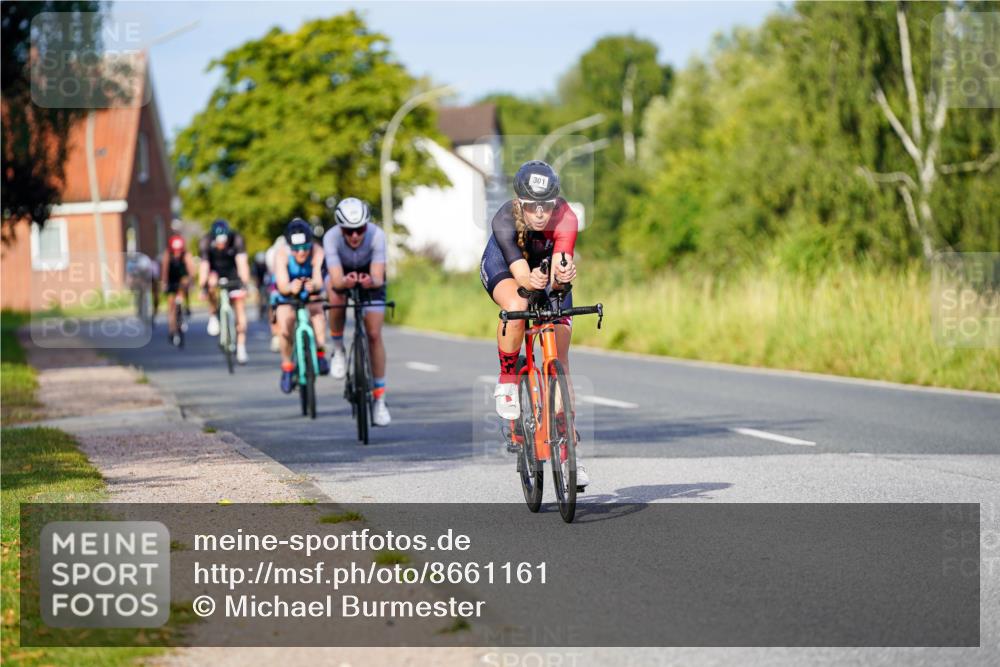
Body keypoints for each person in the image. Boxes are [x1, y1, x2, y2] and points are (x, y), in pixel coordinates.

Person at [479, 160, 588, 488]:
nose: (540, 213)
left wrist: (563, 276)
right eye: (532, 207)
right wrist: (534, 281)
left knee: (561, 354)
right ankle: (508, 379)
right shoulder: (504, 219)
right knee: (518, 304)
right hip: (507, 267)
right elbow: (523, 279)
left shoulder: (566, 217)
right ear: (519, 204)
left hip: (544, 268)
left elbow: (560, 266)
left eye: (546, 206)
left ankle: (570, 452)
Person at [323, 197, 391, 427]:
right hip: (340, 274)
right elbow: (335, 279)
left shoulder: (376, 235)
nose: (354, 236)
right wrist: (345, 281)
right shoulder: (331, 237)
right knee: (335, 295)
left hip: (370, 275)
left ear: (366, 226)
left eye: (359, 229)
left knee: (373, 334)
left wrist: (367, 280)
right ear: (340, 228)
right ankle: (338, 349)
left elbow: (378, 277)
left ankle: (380, 400)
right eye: (349, 231)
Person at [273, 218, 330, 393]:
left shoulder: (317, 251)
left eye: (305, 248)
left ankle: (320, 352)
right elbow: (282, 284)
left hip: (310, 290)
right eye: (296, 249)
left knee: (317, 311)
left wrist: (314, 285)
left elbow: (319, 279)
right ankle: (287, 366)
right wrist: (290, 287)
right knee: (286, 322)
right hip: (288, 293)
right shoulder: (282, 254)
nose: (301, 253)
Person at [198, 219, 251, 364]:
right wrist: (203, 287)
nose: (221, 244)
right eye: (219, 241)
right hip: (215, 272)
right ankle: (214, 315)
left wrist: (245, 284)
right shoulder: (206, 242)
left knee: (240, 308)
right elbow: (204, 266)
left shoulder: (237, 239)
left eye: (224, 241)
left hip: (233, 272)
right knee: (211, 283)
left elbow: (242, 264)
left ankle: (241, 347)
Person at [161, 234, 196, 344]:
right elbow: (165, 270)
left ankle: (186, 304)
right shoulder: (167, 254)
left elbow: (191, 269)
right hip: (171, 279)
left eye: (179, 251)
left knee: (185, 283)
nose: (177, 253)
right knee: (171, 304)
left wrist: (192, 281)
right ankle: (172, 329)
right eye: (175, 251)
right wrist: (164, 282)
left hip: (182, 278)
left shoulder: (186, 254)